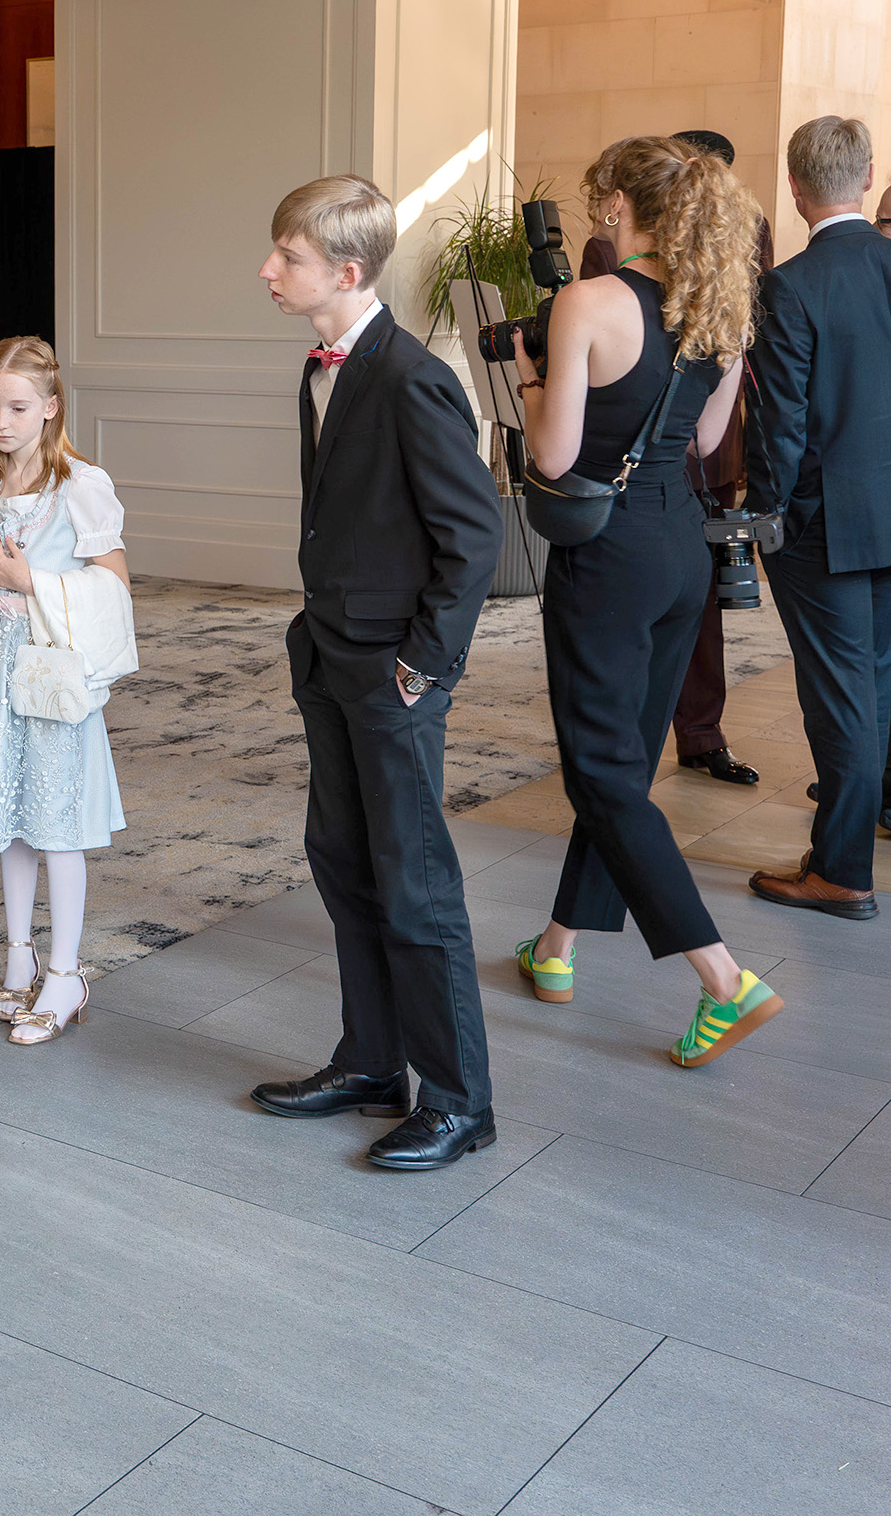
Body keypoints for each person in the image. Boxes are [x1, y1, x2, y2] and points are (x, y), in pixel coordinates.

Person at [508, 135, 788, 1063]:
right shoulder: (716, 306)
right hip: (682, 549)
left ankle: (723, 979)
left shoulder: (587, 301)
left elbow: (552, 456)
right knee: (621, 760)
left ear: (618, 205)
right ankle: (556, 949)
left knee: (599, 770)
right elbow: (709, 441)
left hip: (610, 553)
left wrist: (526, 373)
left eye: (601, 201)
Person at [251, 175, 503, 1171]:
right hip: (329, 653)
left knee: (416, 887)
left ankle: (458, 1100)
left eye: (288, 256)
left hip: (391, 671)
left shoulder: (409, 376)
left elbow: (474, 534)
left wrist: (422, 667)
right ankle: (370, 1059)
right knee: (343, 863)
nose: (268, 270)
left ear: (345, 272)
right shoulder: (320, 368)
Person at [0, 337, 129, 1046]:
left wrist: (35, 585)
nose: (1, 420)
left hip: (49, 672)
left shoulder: (79, 485)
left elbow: (114, 584)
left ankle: (66, 973)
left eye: (18, 406)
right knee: (12, 814)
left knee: (57, 819)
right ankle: (17, 956)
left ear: (50, 407)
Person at [580, 130, 770, 787]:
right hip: (651, 478)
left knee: (606, 772)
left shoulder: (738, 243)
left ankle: (697, 735)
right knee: (614, 758)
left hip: (661, 482)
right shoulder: (613, 259)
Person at [746, 115, 891, 921]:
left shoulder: (790, 286)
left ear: (795, 187)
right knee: (873, 688)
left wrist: (773, 516)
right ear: (867, 177)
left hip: (827, 529)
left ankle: (841, 872)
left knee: (841, 699)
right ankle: (838, 850)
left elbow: (780, 426)